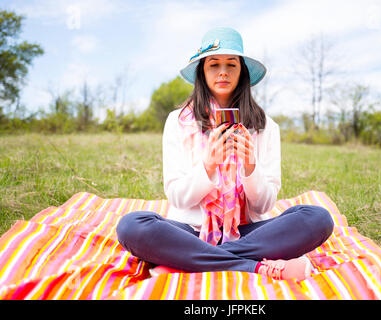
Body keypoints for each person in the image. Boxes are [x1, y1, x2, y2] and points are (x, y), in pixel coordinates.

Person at [116, 27, 334, 281]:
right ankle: (255, 267)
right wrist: (208, 166)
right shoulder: (177, 122)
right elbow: (177, 197)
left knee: (317, 218)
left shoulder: (266, 126)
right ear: (202, 71)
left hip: (249, 233)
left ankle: (187, 260)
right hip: (190, 231)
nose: (222, 72)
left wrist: (251, 168)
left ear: (242, 71)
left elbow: (264, 205)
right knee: (132, 226)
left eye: (231, 64)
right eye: (213, 64)